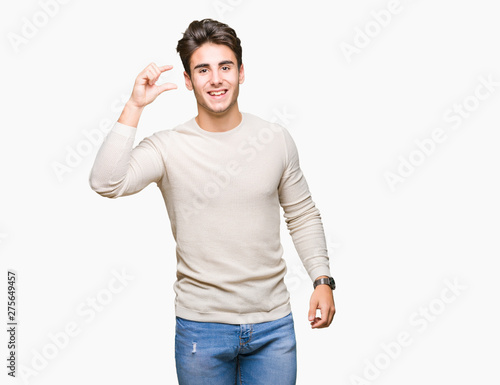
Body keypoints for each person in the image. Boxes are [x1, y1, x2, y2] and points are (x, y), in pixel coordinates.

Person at [89, 18, 336, 385]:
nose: (216, 79)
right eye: (203, 69)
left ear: (241, 72)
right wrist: (135, 104)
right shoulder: (168, 147)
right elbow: (106, 182)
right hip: (201, 330)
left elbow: (301, 214)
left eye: (225, 67)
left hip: (273, 327)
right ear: (188, 80)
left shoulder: (275, 139)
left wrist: (323, 279)